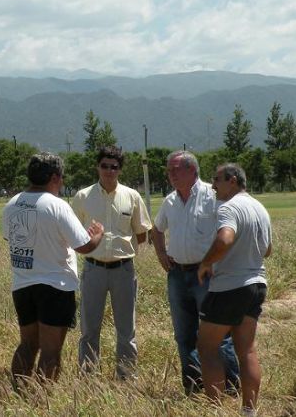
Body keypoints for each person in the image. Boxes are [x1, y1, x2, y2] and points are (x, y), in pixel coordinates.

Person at [2, 152, 104, 384]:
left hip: (22, 284)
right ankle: (43, 397)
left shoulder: (12, 204)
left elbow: (11, 238)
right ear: (55, 177)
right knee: (51, 350)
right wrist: (98, 235)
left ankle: (18, 391)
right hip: (55, 286)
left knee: (27, 344)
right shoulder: (57, 206)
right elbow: (85, 246)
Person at [153, 151, 240, 395]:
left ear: (192, 170)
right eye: (169, 170)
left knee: (218, 334)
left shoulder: (212, 196)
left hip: (207, 275)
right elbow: (156, 229)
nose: (170, 174)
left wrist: (215, 262)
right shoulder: (170, 201)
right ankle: (194, 387)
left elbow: (228, 230)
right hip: (178, 275)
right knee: (184, 335)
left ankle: (231, 387)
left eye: (175, 169)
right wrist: (161, 254)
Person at [197, 163, 271, 416]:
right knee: (246, 349)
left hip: (230, 286)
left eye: (216, 179)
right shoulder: (259, 208)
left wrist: (206, 262)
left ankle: (215, 410)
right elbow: (268, 249)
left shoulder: (228, 208)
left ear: (232, 180)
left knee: (207, 347)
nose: (212, 185)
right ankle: (249, 411)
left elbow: (225, 238)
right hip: (256, 284)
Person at [72, 146, 152, 379]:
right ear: (97, 167)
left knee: (126, 329)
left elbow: (141, 233)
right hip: (93, 268)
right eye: (104, 166)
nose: (109, 171)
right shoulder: (83, 197)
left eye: (114, 167)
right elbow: (73, 232)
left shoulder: (132, 196)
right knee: (89, 329)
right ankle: (88, 377)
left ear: (120, 169)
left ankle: (126, 377)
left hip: (123, 270)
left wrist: (122, 249)